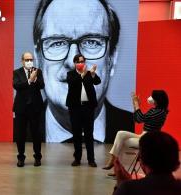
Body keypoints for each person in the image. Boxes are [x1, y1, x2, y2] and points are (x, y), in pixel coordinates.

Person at [33, 0, 134, 143]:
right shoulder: (18, 129)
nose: (73, 63)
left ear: (112, 57)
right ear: (38, 58)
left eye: (91, 42)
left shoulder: (136, 131)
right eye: (57, 43)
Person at [103, 90, 169, 170]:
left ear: (157, 100)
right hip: (143, 135)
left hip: (149, 139)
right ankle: (116, 165)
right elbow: (137, 120)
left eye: (152, 97)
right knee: (120, 134)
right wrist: (135, 106)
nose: (150, 98)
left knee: (121, 141)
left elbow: (141, 118)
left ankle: (116, 166)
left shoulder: (160, 112)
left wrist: (137, 105)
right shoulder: (155, 110)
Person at [113, 131, 181, 195]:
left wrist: (120, 185)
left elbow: (138, 120)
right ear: (176, 163)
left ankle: (112, 156)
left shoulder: (129, 189)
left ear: (141, 161)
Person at [66, 54, 101, 167]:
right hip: (75, 108)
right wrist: (84, 74)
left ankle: (91, 159)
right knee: (76, 134)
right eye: (78, 61)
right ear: (75, 63)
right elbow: (73, 83)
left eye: (82, 61)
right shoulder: (70, 74)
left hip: (88, 107)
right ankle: (77, 158)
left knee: (89, 134)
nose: (81, 63)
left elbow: (97, 82)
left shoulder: (89, 73)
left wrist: (93, 74)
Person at [13, 52, 45, 167]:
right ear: (22, 61)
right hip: (21, 108)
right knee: (20, 135)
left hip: (35, 108)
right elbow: (16, 85)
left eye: (31, 59)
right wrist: (29, 80)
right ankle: (21, 157)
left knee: (36, 134)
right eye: (27, 60)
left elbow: (42, 85)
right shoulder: (17, 72)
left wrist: (35, 79)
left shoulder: (38, 71)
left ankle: (37, 157)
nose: (29, 62)